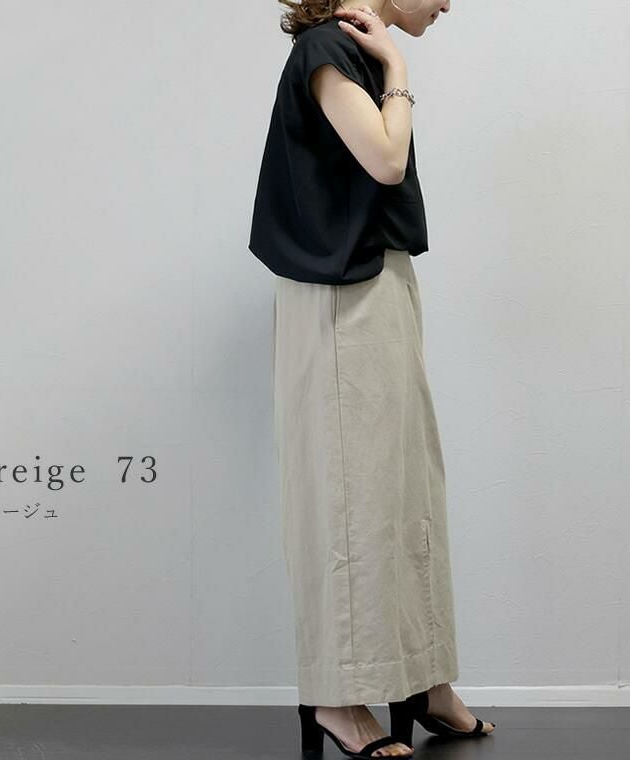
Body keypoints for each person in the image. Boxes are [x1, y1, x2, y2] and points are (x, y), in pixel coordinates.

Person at [248, 1, 496, 757]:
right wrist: (397, 70)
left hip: (377, 282)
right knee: (349, 499)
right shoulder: (328, 49)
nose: (449, 3)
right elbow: (385, 159)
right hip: (339, 298)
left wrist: (387, 63)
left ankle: (424, 678)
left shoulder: (348, 49)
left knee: (407, 486)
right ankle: (337, 696)